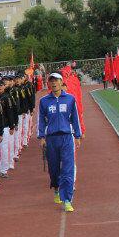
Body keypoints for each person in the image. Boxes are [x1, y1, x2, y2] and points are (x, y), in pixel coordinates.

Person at [37, 73, 82, 212]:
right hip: (51, 139)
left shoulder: (70, 99)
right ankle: (56, 188)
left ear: (61, 82)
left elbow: (75, 118)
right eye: (51, 81)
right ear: (49, 84)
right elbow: (41, 119)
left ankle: (67, 199)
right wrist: (41, 136)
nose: (54, 83)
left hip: (66, 137)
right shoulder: (44, 101)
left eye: (56, 80)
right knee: (54, 169)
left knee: (68, 169)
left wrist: (77, 135)